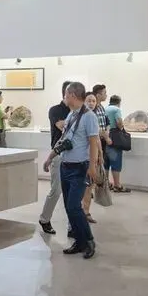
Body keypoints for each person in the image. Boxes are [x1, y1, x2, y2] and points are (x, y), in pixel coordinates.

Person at [42, 81, 100, 259]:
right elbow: (64, 139)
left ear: (73, 96)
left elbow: (93, 142)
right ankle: (79, 242)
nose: (65, 98)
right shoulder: (71, 115)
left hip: (79, 168)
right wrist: (50, 157)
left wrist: (92, 166)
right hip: (65, 166)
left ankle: (88, 241)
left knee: (74, 206)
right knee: (69, 207)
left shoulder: (89, 117)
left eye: (66, 95)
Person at [39, 81, 71, 235]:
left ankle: (72, 227)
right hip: (58, 154)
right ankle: (44, 219)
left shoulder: (78, 111)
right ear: (66, 94)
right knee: (56, 190)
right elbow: (62, 126)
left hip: (74, 157)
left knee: (72, 194)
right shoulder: (55, 110)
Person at [84, 86, 110, 223]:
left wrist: (100, 154)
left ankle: (86, 212)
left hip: (92, 157)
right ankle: (82, 213)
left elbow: (96, 139)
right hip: (83, 157)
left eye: (93, 101)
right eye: (89, 101)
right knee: (85, 187)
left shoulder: (94, 116)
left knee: (90, 186)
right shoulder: (80, 116)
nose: (91, 103)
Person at [105, 95, 130, 193]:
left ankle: (106, 184)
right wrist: (122, 128)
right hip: (114, 138)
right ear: (119, 102)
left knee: (106, 162)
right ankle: (117, 185)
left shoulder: (105, 109)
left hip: (105, 136)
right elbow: (119, 123)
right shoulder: (116, 109)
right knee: (116, 162)